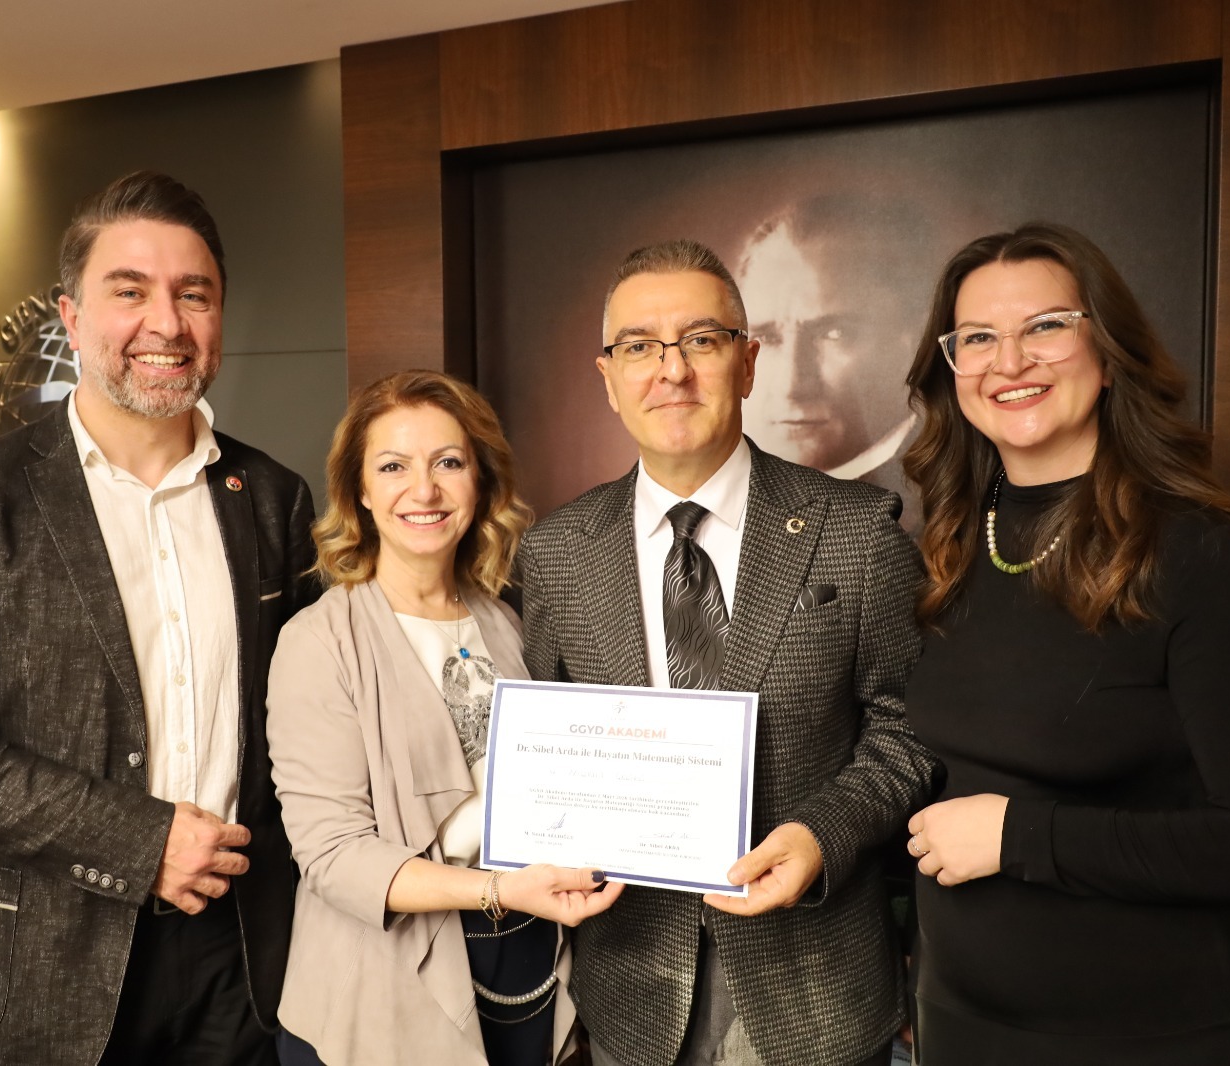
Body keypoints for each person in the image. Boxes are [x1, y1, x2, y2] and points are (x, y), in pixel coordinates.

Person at [0, 171, 319, 1065]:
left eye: (194, 294)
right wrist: (142, 842)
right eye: (129, 291)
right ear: (72, 319)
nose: (166, 323)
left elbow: (307, 719)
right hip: (38, 968)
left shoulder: (273, 496)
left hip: (241, 970)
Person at [900, 222, 1230, 1064]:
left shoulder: (1196, 552)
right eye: (978, 338)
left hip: (1150, 1034)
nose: (1010, 361)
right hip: (961, 1026)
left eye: (1046, 326)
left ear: (1108, 350)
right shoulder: (950, 547)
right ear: (951, 369)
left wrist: (1021, 837)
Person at [517, 239, 936, 1066]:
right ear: (608, 377)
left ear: (746, 364)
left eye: (700, 341)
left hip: (815, 986)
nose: (670, 370)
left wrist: (820, 834)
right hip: (631, 990)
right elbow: (553, 747)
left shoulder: (857, 533)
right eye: (640, 346)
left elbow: (911, 729)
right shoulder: (556, 553)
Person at [266, 370, 622, 1066]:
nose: (423, 490)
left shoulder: (508, 622)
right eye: (393, 466)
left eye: (448, 463)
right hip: (381, 988)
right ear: (359, 490)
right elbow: (333, 856)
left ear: (480, 482)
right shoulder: (317, 642)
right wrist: (499, 889)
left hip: (531, 958)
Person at [735, 193, 945, 530]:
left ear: (913, 341)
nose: (792, 385)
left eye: (833, 333)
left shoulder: (947, 503)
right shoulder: (729, 498)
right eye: (767, 338)